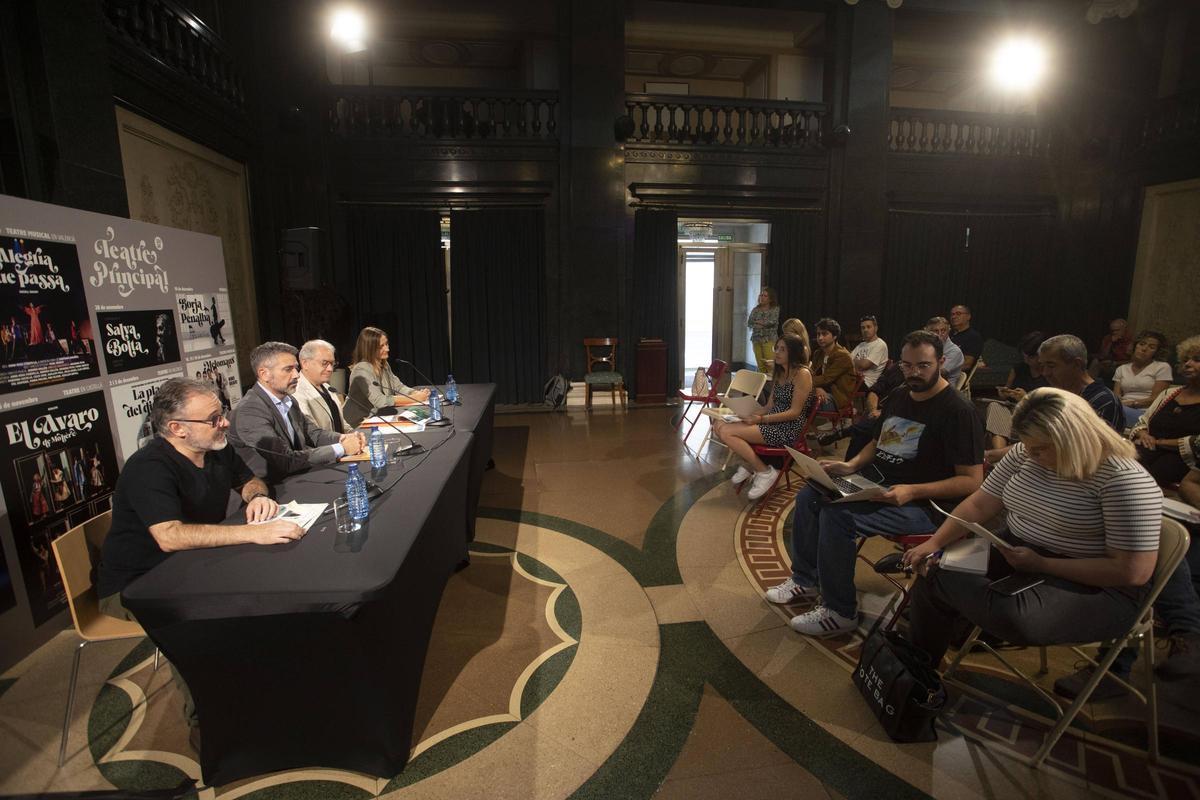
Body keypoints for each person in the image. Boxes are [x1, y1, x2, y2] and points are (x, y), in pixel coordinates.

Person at [97, 377, 304, 742]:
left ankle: (268, 687)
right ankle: (209, 730)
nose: (224, 422)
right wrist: (251, 532)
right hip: (138, 583)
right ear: (177, 429)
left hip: (193, 565)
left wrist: (256, 497)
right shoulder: (149, 467)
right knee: (196, 626)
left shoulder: (215, 446)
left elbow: (249, 480)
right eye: (213, 419)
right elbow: (170, 535)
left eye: (221, 414)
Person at [901, 389, 1162, 678]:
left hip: (1097, 584)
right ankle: (918, 670)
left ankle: (947, 614)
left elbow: (1131, 572)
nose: (1031, 455)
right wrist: (935, 542)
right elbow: (980, 502)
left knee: (1011, 615)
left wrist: (1042, 564)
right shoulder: (1025, 453)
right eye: (1027, 446)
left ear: (1074, 439)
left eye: (1040, 449)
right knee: (935, 564)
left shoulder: (1125, 480)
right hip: (1019, 548)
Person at [766, 330, 985, 636]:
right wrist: (851, 465)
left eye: (923, 366)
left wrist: (913, 491)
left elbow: (971, 481)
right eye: (907, 366)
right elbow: (880, 440)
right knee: (810, 495)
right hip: (881, 486)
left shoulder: (959, 412)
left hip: (926, 505)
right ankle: (804, 580)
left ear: (942, 362)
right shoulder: (899, 395)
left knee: (837, 516)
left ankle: (839, 610)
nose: (914, 373)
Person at [229, 342, 364, 482]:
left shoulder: (289, 400)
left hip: (299, 477)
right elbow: (285, 460)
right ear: (264, 374)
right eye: (288, 369)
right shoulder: (250, 411)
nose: (296, 375)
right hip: (270, 490)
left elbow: (314, 434)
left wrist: (342, 438)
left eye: (296, 368)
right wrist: (341, 448)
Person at [715, 334, 814, 500]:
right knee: (719, 424)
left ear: (794, 352)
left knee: (726, 432)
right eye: (777, 348)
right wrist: (745, 414)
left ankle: (763, 470)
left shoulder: (802, 374)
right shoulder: (780, 373)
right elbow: (768, 406)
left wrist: (761, 419)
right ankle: (749, 464)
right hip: (772, 420)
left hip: (789, 427)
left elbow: (795, 412)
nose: (777, 352)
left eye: (783, 349)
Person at [1129, 334, 1200, 485]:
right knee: (1121, 462)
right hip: (1149, 448)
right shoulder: (1170, 393)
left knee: (1150, 474)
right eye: (1186, 359)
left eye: (1196, 360)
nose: (1187, 364)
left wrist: (1160, 442)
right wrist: (1143, 433)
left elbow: (1197, 443)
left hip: (1184, 461)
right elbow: (1143, 420)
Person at [343, 326, 432, 427]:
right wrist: (415, 398)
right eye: (381, 346)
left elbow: (398, 387)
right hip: (357, 424)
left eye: (386, 344)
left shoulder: (384, 364)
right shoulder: (361, 370)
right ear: (370, 349)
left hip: (377, 417)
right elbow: (380, 401)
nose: (387, 349)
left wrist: (416, 393)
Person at [1038, 334, 1123, 431]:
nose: (1045, 373)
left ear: (1076, 364)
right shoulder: (1052, 395)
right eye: (1042, 366)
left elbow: (1103, 445)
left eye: (1051, 366)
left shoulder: (1104, 402)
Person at [1114, 330, 1172, 427]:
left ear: (1157, 352)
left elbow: (1157, 399)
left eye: (1151, 347)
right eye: (1142, 344)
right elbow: (1116, 396)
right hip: (1122, 407)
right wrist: (1119, 403)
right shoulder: (1122, 369)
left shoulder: (1162, 367)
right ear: (1135, 346)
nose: (1144, 349)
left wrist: (1132, 404)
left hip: (1146, 412)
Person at [295, 338, 353, 434]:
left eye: (332, 363)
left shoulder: (328, 387)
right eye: (324, 363)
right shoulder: (297, 391)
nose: (330, 369)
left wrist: (355, 434)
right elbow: (312, 434)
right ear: (305, 363)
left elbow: (342, 424)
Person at [810, 318, 856, 413]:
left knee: (797, 396)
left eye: (824, 334)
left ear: (834, 336)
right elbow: (811, 374)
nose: (820, 338)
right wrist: (816, 388)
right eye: (818, 334)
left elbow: (826, 379)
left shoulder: (842, 355)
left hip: (836, 399)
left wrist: (802, 382)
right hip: (821, 392)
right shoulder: (818, 353)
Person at [997, 331, 1049, 403]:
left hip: (1036, 412)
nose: (1026, 360)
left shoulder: (1050, 374)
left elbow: (1050, 407)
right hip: (1013, 407)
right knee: (993, 405)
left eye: (1031, 357)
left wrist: (1026, 399)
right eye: (1024, 355)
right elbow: (1007, 391)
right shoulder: (1019, 369)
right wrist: (1004, 394)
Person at [747, 288, 780, 374]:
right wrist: (762, 323)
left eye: (765, 296)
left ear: (770, 299)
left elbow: (772, 322)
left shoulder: (775, 309)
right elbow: (750, 323)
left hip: (769, 339)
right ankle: (763, 386)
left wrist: (760, 323)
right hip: (756, 339)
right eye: (761, 295)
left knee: (769, 364)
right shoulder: (755, 310)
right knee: (760, 366)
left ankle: (771, 385)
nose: (762, 297)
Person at [851, 315, 889, 389]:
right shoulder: (861, 345)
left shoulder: (880, 344)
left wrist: (855, 362)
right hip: (854, 377)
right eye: (863, 328)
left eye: (868, 327)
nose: (865, 330)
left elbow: (864, 365)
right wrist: (857, 365)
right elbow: (847, 361)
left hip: (865, 382)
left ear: (876, 328)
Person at [925, 316, 964, 387]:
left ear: (948, 331)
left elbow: (940, 373)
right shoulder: (925, 347)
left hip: (944, 389)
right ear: (927, 332)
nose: (940, 334)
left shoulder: (954, 351)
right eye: (935, 331)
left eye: (943, 330)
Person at [949, 305, 983, 373]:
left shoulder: (973, 337)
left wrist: (944, 370)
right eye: (952, 314)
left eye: (958, 314)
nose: (954, 317)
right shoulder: (948, 334)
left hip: (957, 376)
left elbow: (967, 364)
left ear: (968, 317)